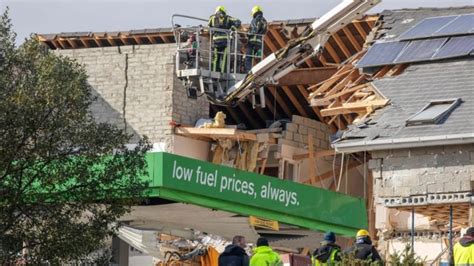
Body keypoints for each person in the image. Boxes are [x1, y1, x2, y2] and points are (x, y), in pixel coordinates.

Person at [208, 6, 241, 72]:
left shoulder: (212, 17)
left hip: (216, 41)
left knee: (215, 58)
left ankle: (214, 72)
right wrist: (232, 29)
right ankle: (223, 72)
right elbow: (238, 22)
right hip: (225, 41)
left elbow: (209, 27)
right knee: (224, 58)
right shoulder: (228, 18)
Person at [245, 5, 268, 72]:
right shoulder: (264, 21)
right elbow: (264, 31)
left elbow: (254, 30)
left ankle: (248, 72)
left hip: (252, 41)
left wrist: (247, 33)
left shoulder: (255, 20)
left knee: (248, 57)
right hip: (259, 43)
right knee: (257, 58)